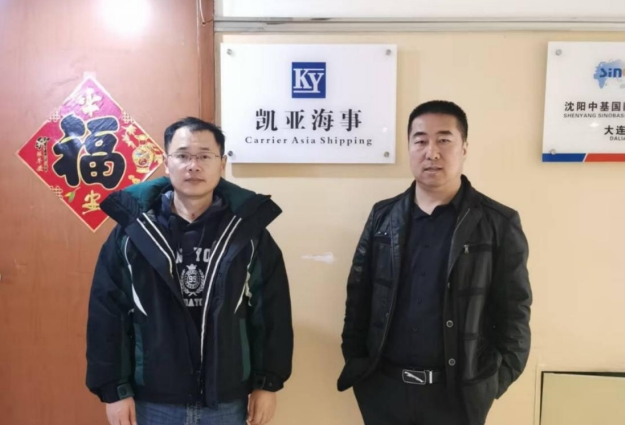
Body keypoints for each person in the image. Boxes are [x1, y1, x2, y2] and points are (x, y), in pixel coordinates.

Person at [86, 117, 293, 425]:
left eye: (204, 156)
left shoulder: (248, 231)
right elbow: (108, 313)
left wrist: (268, 383)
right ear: (166, 163)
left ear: (221, 164)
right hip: (154, 397)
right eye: (182, 155)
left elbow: (272, 310)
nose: (193, 166)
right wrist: (114, 390)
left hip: (226, 398)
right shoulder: (133, 232)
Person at [338, 101, 531, 425]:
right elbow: (359, 297)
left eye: (444, 140)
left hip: (456, 398)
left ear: (464, 147)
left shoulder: (498, 222)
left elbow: (515, 311)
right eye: (420, 140)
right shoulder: (383, 217)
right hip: (384, 392)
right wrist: (359, 366)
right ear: (409, 147)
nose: (431, 152)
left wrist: (491, 384)